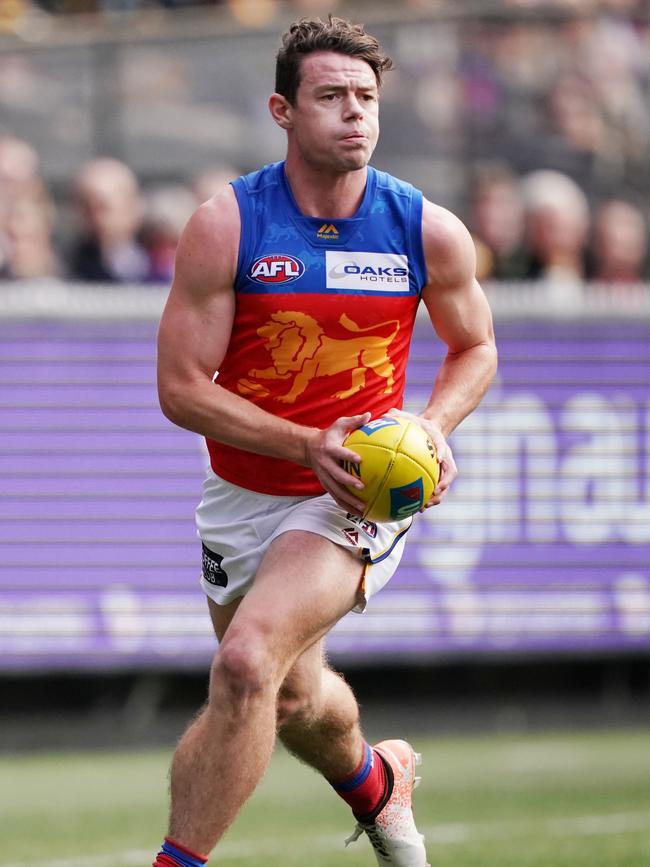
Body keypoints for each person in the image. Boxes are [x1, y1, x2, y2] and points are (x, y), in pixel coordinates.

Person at [154, 16, 496, 867]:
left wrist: (428, 426)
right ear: (283, 109)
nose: (356, 114)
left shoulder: (425, 228)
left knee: (244, 665)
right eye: (332, 96)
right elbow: (181, 390)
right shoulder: (227, 224)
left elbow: (477, 347)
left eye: (368, 97)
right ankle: (379, 785)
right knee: (297, 696)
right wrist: (304, 439)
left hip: (354, 491)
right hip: (244, 493)